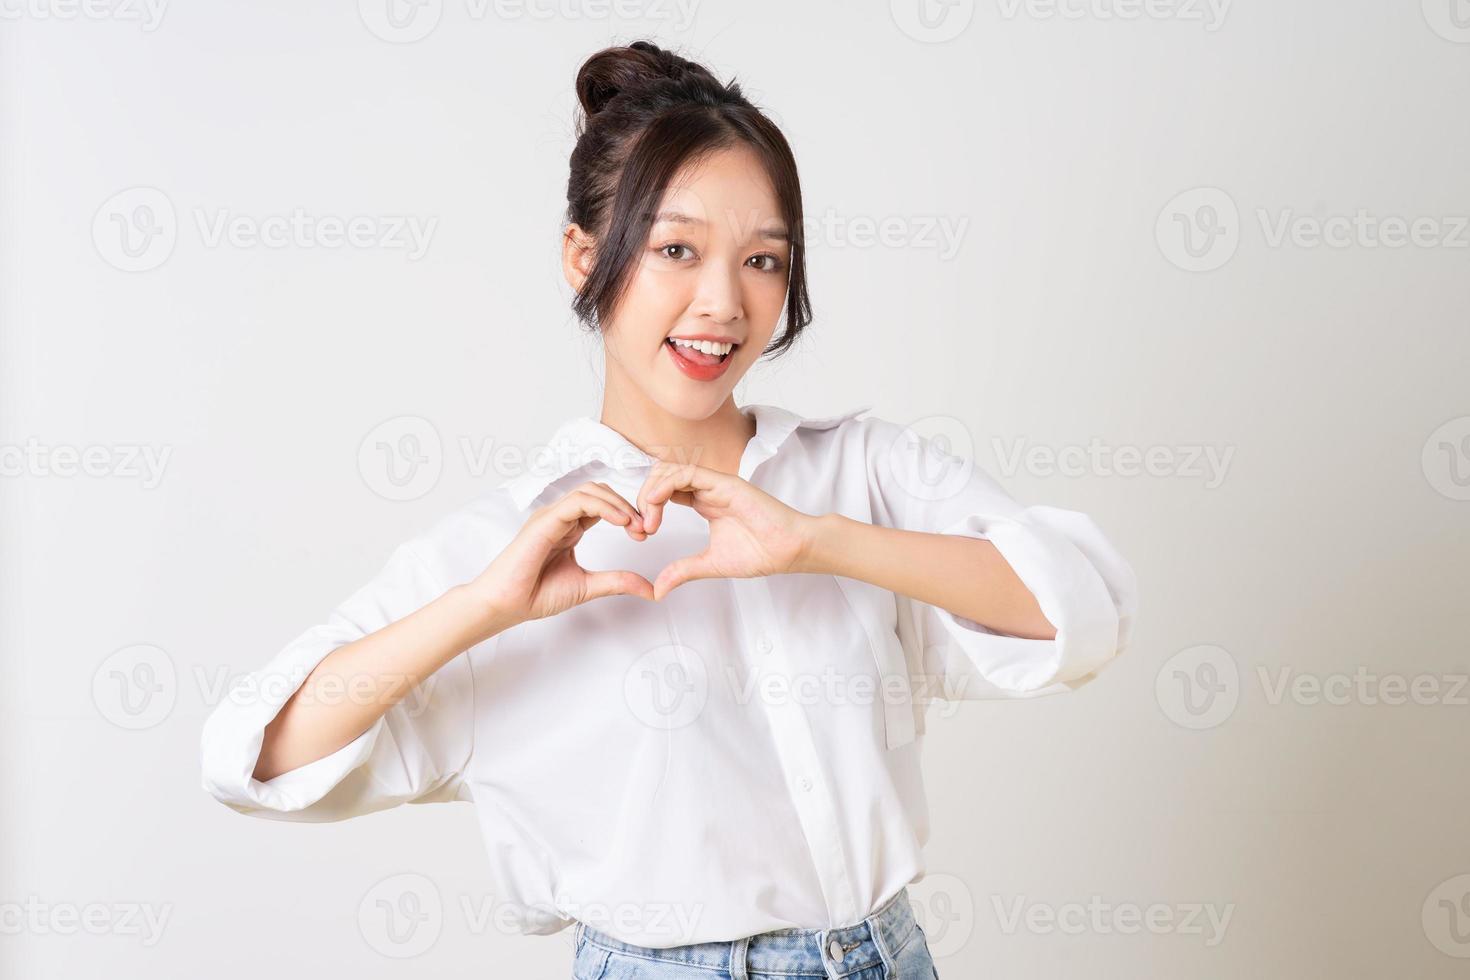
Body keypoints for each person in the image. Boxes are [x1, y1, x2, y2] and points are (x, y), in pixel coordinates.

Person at [199, 39, 1138, 979]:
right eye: (675, 249)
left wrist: (819, 542)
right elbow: (255, 758)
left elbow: (1078, 611)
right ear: (583, 256)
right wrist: (484, 608)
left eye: (764, 260)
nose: (723, 303)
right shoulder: (510, 548)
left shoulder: (857, 471)